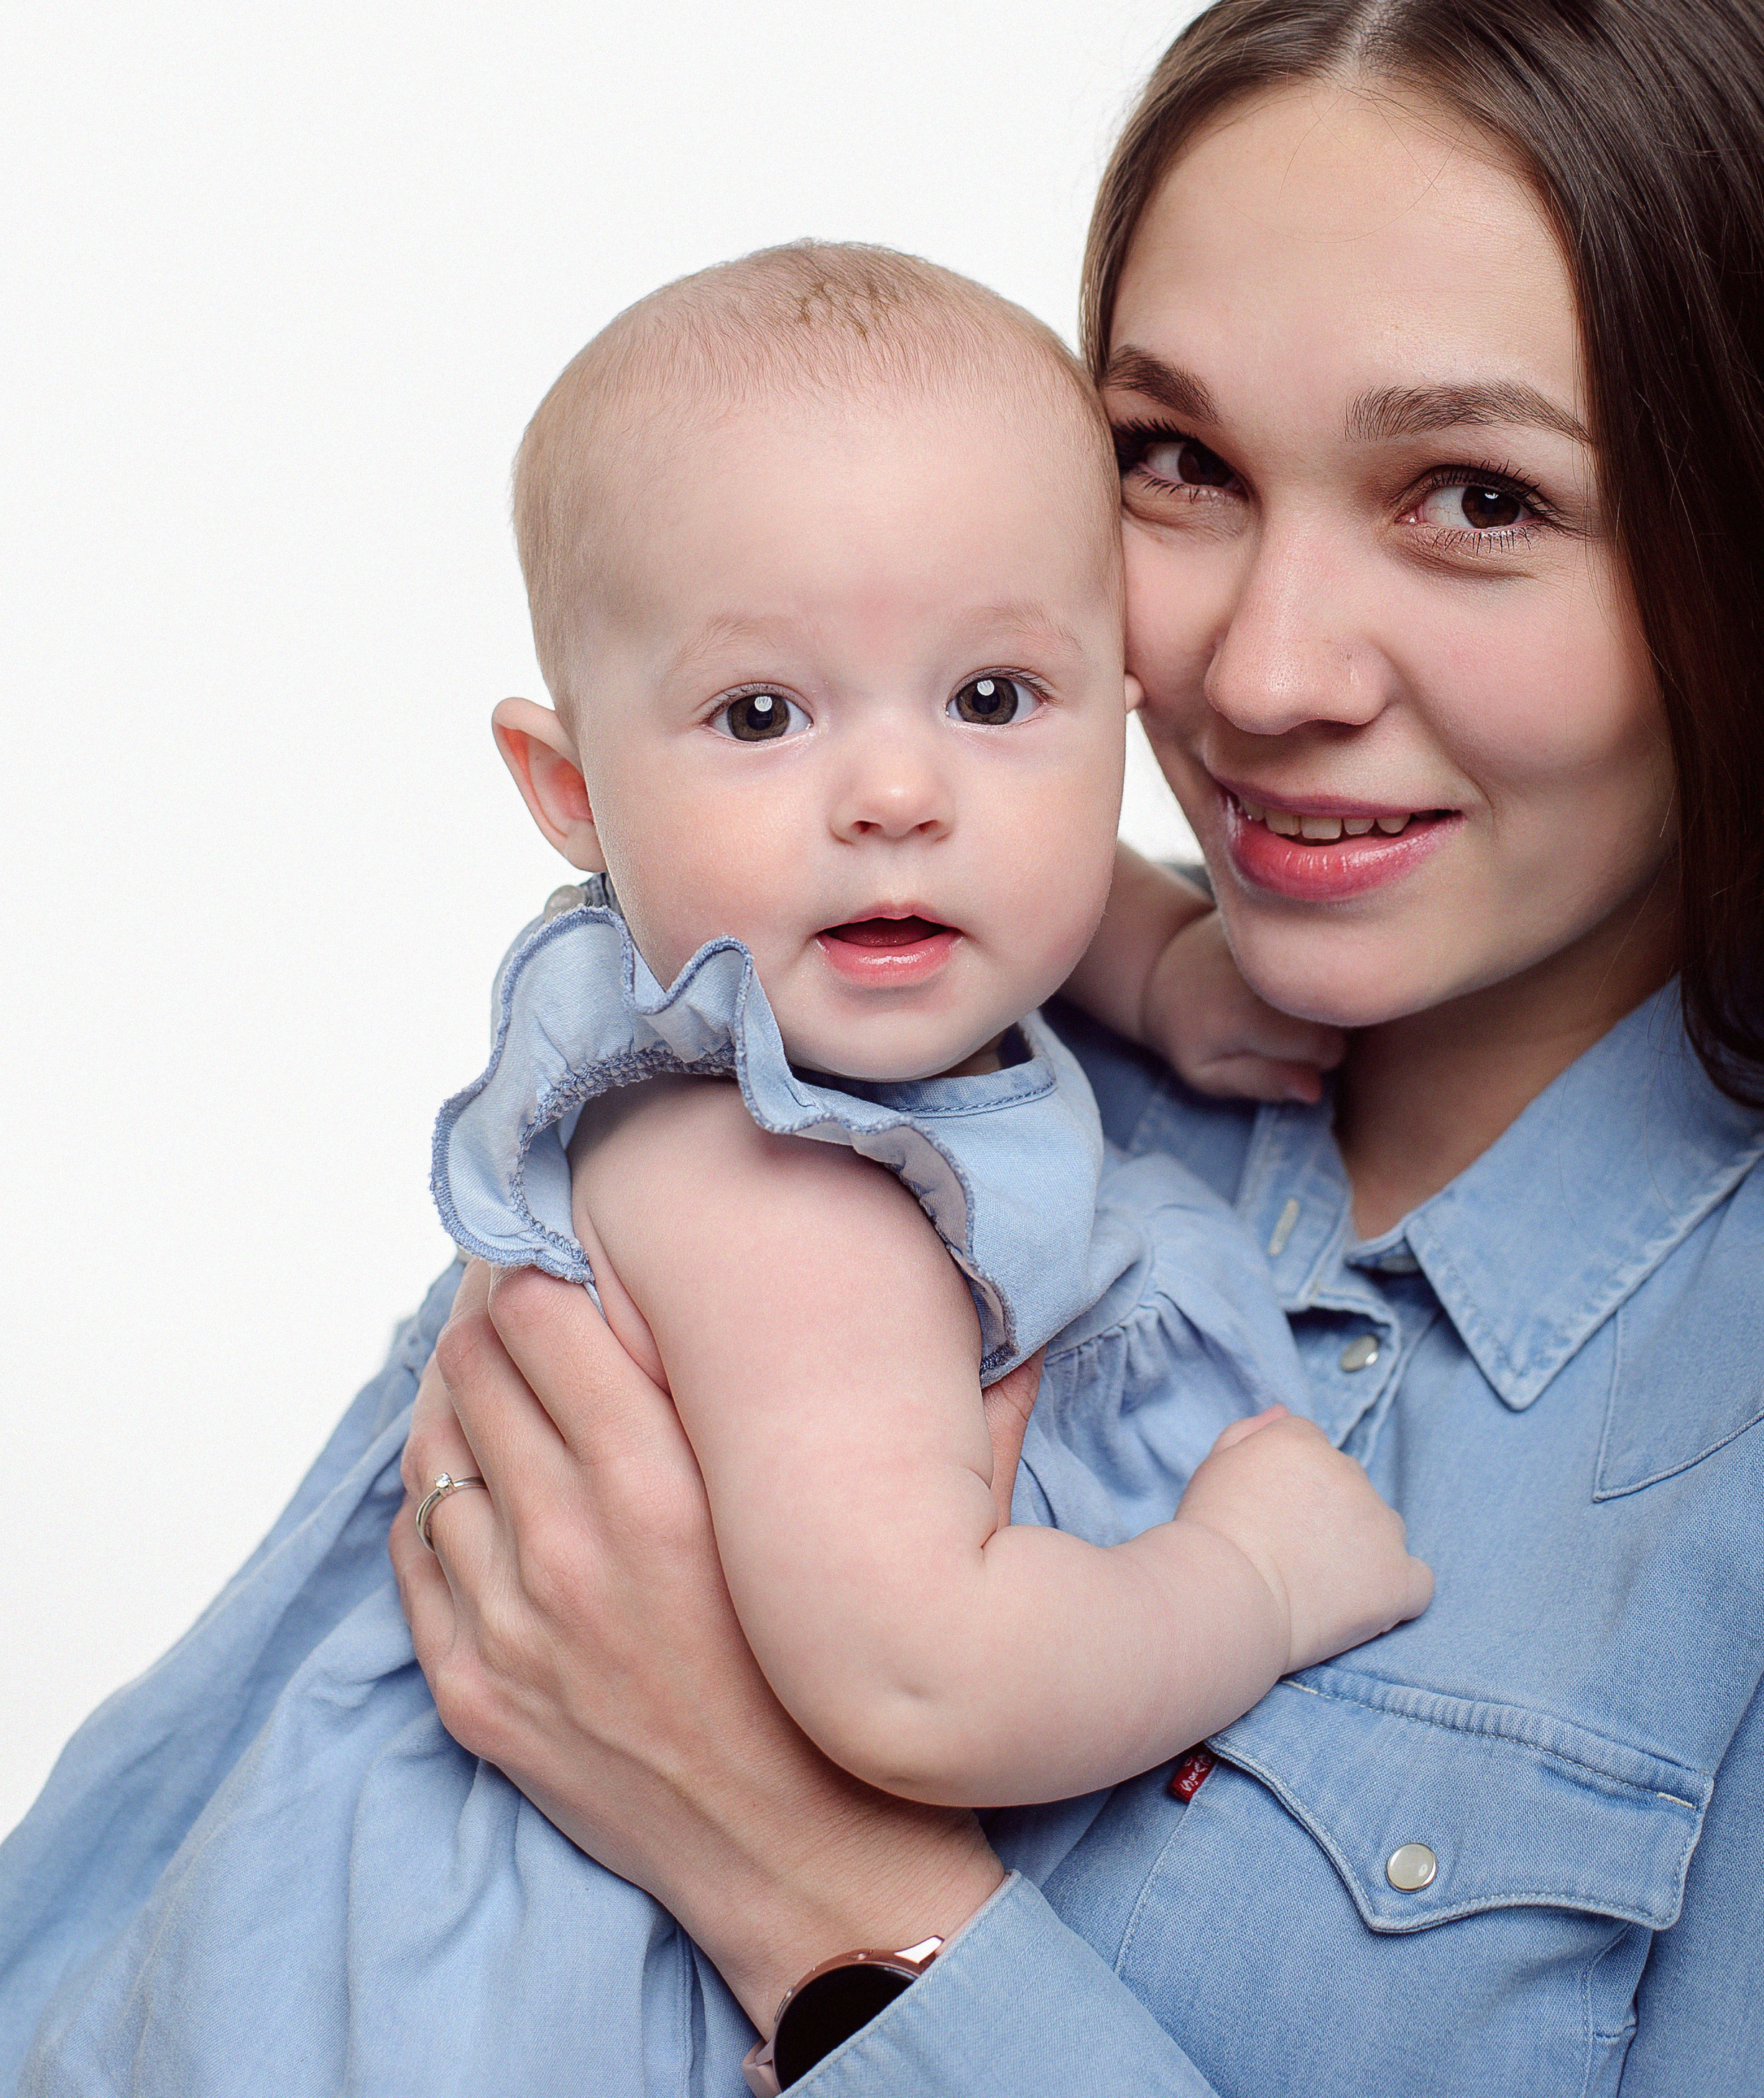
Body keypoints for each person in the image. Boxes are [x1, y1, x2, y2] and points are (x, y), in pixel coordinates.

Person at [390, 0, 1764, 2092]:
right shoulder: (860, 1019)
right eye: (1175, 463)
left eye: (1476, 498)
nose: (1258, 675)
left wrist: (820, 1898)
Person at [0, 241, 1426, 2094]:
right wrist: (1253, 1582)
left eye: (996, 698)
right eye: (763, 716)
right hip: (524, 2008)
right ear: (571, 790)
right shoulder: (789, 1207)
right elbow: (919, 1681)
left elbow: (983, 887)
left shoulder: (814, 947)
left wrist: (1159, 969)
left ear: (1121, 703)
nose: (899, 795)